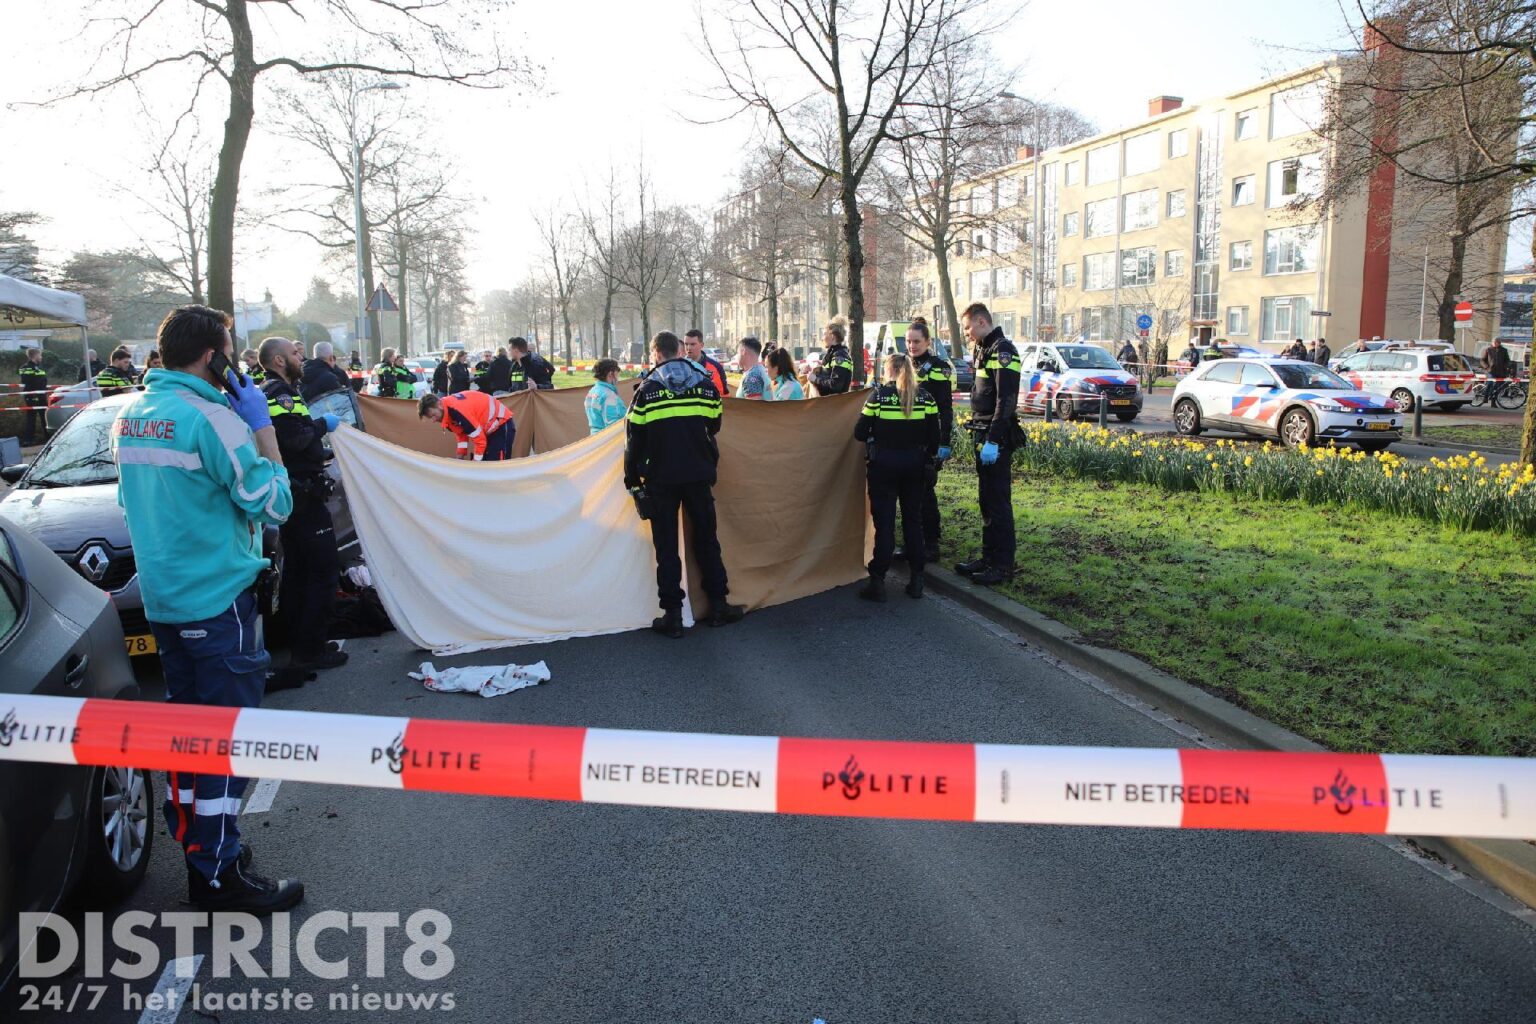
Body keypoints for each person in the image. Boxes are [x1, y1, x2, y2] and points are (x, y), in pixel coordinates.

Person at [111, 304, 302, 913]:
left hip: (166, 600)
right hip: (218, 601)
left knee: (189, 736)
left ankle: (202, 842)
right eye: (229, 348)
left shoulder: (132, 414)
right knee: (228, 743)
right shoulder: (213, 420)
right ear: (212, 356)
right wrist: (263, 431)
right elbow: (274, 504)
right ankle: (216, 873)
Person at [624, 331, 744, 638]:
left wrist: (633, 482)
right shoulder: (704, 385)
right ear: (680, 351)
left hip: (661, 478)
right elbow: (714, 424)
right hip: (699, 475)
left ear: (656, 354)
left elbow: (632, 441)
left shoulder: (647, 390)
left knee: (666, 547)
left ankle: (673, 617)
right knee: (706, 540)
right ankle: (718, 606)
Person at [258, 336, 347, 679]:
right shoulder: (281, 393)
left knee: (296, 570)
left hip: (292, 493)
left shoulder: (271, 390)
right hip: (303, 496)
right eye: (296, 353)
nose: (301, 358)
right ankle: (310, 651)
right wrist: (323, 425)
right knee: (323, 570)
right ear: (279, 360)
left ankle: (299, 644)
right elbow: (295, 439)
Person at [856, 352, 941, 602]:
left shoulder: (879, 397)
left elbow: (859, 432)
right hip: (915, 467)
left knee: (885, 524)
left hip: (883, 466)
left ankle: (878, 581)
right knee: (913, 522)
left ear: (889, 370)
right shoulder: (926, 399)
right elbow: (934, 440)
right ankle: (917, 580)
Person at [954, 302, 1019, 587]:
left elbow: (1006, 401)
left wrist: (993, 439)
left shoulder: (1003, 351)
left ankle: (1002, 566)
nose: (966, 333)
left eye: (968, 327)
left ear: (981, 322)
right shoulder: (984, 349)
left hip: (996, 437)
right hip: (981, 432)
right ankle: (988, 557)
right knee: (986, 501)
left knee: (998, 503)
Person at [905, 318, 953, 563]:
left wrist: (945, 441)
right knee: (908, 495)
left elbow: (945, 407)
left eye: (916, 341)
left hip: (927, 439)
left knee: (925, 492)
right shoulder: (903, 364)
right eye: (908, 341)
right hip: (905, 439)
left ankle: (931, 543)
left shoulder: (938, 367)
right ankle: (913, 542)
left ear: (927, 342)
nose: (912, 346)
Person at [418, 390, 515, 461]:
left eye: (433, 415)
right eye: (431, 418)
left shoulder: (457, 411)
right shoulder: (446, 412)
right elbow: (461, 433)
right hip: (489, 428)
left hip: (501, 423)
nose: (433, 420)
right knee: (486, 463)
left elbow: (480, 440)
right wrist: (460, 454)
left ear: (439, 405)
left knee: (497, 465)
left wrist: (475, 463)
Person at [301, 341, 358, 429]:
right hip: (328, 426)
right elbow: (343, 404)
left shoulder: (301, 372)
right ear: (331, 357)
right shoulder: (329, 378)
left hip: (308, 424)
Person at [811, 317, 854, 395]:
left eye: (824, 334)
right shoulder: (833, 353)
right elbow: (829, 374)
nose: (822, 338)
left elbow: (836, 385)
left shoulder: (840, 356)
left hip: (834, 405)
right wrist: (819, 371)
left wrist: (815, 379)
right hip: (830, 403)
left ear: (832, 336)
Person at [585, 358, 627, 434]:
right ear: (611, 374)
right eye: (617, 373)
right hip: (609, 441)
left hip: (595, 438)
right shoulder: (609, 395)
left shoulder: (591, 392)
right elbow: (613, 426)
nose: (618, 377)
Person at [18, 347, 48, 445]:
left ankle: (48, 438)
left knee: (45, 417)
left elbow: (42, 380)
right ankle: (28, 440)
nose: (41, 357)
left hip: (41, 395)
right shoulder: (25, 367)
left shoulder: (39, 367)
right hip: (33, 395)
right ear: (35, 356)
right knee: (31, 418)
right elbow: (28, 381)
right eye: (40, 355)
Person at [683, 329, 727, 395]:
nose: (688, 348)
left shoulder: (716, 367)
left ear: (702, 345)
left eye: (693, 344)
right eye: (686, 344)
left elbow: (723, 394)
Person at [1484, 338, 1513, 405]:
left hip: (1501, 372)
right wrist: (1487, 367)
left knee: (1498, 387)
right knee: (1490, 383)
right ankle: (1485, 397)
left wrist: (1506, 366)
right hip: (1491, 371)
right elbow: (1482, 360)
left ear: (1499, 343)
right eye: (1493, 342)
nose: (1494, 343)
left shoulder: (1504, 350)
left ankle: (1493, 402)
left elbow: (1507, 360)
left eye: (1496, 342)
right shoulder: (1488, 350)